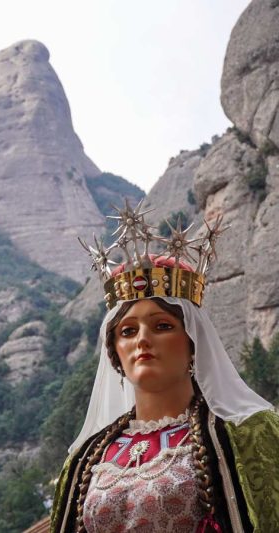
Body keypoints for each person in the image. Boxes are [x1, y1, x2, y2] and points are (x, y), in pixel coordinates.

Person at [50, 202, 279, 532]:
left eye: (162, 326)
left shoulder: (247, 433)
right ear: (114, 351)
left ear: (192, 341)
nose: (142, 339)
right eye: (128, 331)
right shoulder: (86, 458)